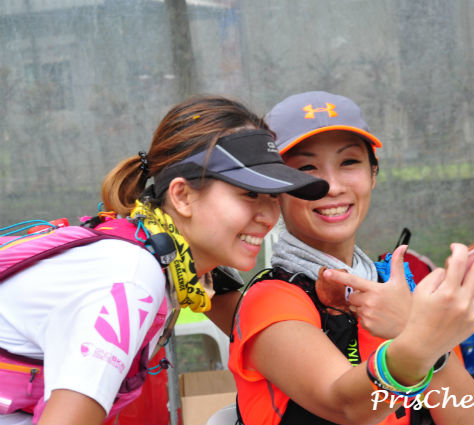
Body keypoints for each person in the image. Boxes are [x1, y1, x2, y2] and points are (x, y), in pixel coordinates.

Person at [0, 95, 329, 425]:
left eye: (273, 197)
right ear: (182, 196)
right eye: (250, 193)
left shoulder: (168, 259)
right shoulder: (132, 276)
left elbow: (251, 329)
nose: (268, 216)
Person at [228, 91, 474, 425]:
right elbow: (345, 407)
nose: (332, 186)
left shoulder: (393, 287)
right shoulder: (269, 300)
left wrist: (423, 337)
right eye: (306, 167)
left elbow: (469, 420)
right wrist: (417, 335)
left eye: (348, 163)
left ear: (373, 174)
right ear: (277, 189)